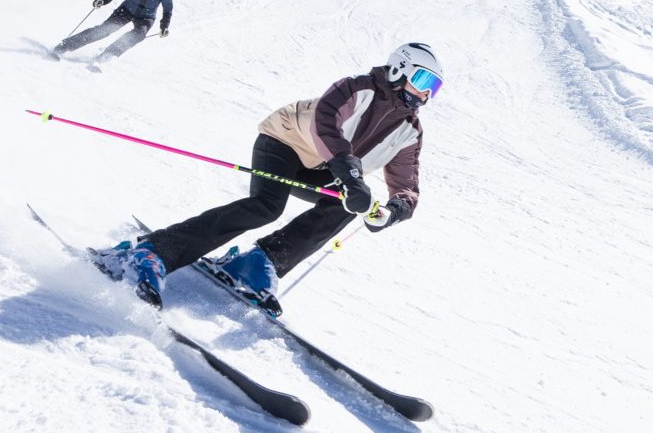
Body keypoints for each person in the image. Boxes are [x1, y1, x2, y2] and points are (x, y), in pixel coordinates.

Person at [99, 43, 444, 306]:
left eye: (435, 87)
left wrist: (391, 212)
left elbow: (406, 186)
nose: (427, 93)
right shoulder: (358, 88)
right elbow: (326, 122)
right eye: (424, 80)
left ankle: (257, 264)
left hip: (327, 169)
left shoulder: (409, 130)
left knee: (347, 205)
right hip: (284, 141)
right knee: (265, 205)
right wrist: (349, 172)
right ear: (401, 68)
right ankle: (154, 252)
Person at [53, 0, 173, 60]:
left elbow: (168, 11)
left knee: (138, 34)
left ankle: (107, 55)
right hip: (126, 10)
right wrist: (103, 0)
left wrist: (164, 27)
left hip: (146, 18)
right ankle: (64, 47)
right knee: (103, 30)